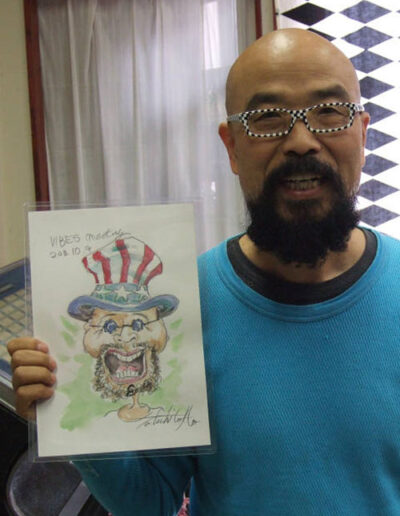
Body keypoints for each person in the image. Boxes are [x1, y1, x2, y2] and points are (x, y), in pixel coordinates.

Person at [8, 28, 400, 515]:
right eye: (267, 119)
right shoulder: (181, 308)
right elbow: (150, 503)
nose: (301, 142)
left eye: (329, 112)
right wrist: (70, 411)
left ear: (363, 133)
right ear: (231, 147)